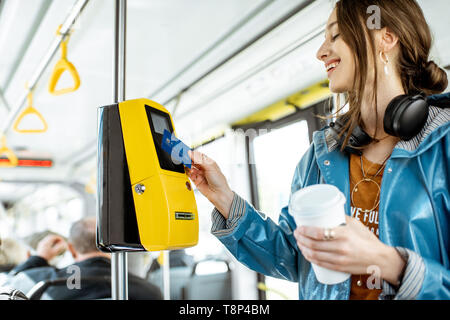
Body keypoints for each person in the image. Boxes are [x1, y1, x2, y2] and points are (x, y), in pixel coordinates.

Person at [186, 0, 449, 300]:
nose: (320, 52)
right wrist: (223, 198)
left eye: (335, 35)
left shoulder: (444, 145)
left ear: (385, 37)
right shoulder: (321, 155)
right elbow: (294, 257)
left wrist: (390, 264)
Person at [6, 217, 162, 300]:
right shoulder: (149, 291)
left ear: (71, 249)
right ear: (115, 246)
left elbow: (6, 289)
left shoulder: (38, 282)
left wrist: (39, 258)